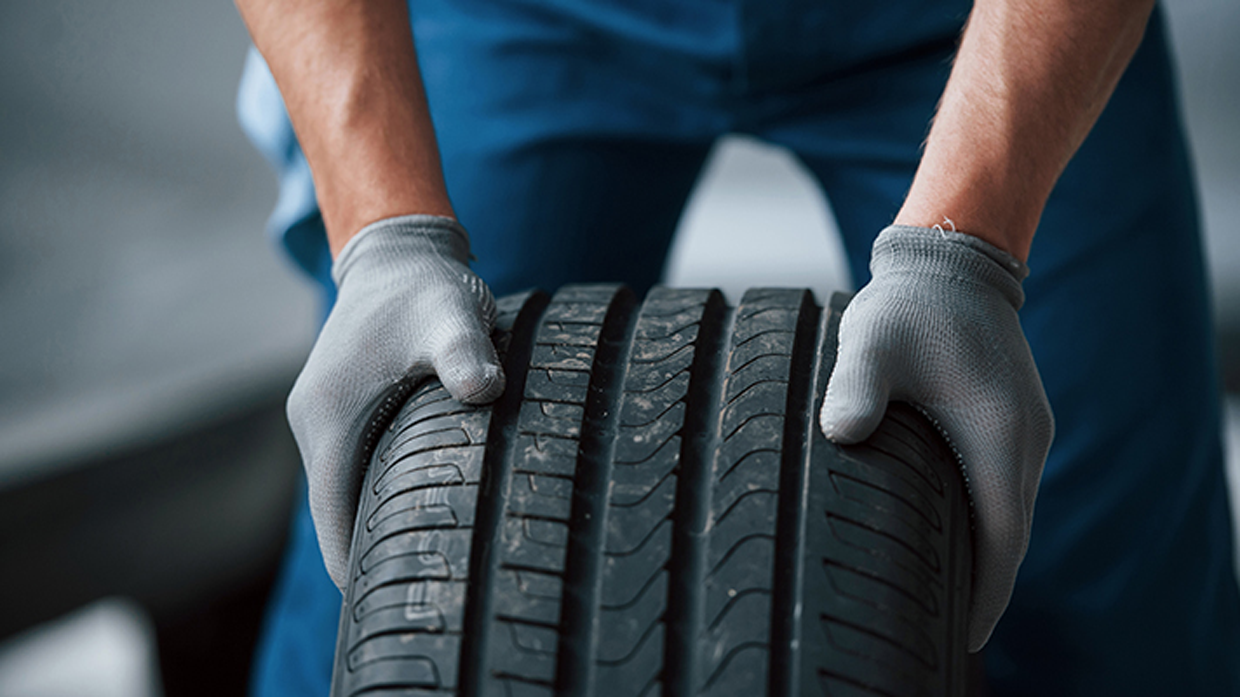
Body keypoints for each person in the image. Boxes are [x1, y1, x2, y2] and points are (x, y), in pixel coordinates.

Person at [233, 0, 1240, 693]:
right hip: (525, 14)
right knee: (383, 605)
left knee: (1118, 626)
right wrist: (384, 231)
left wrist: (967, 254)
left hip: (970, 20)